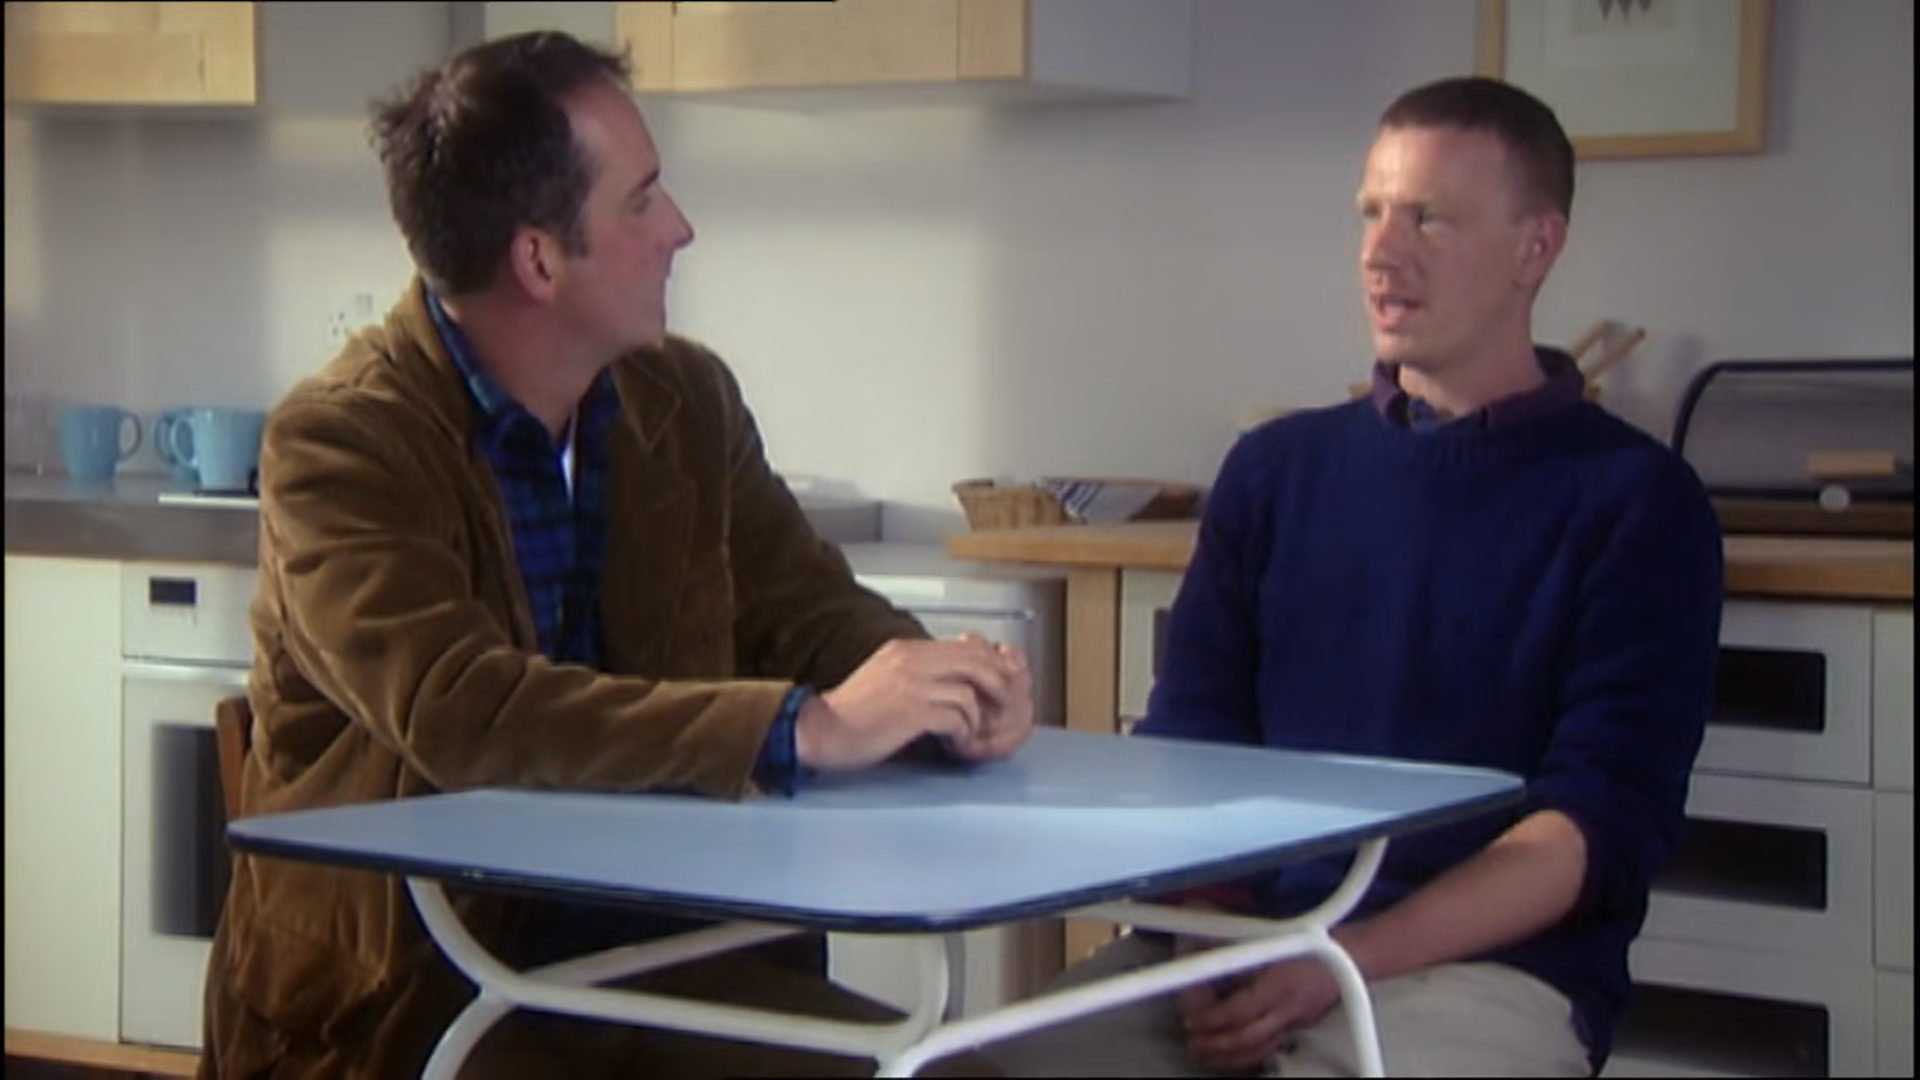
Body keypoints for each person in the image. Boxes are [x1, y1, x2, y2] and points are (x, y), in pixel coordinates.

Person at [199, 31, 1033, 1080]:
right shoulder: (341, 442)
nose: (681, 228)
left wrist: (944, 688)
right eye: (641, 202)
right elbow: (462, 708)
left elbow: (808, 609)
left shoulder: (685, 397)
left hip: (672, 961)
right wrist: (802, 727)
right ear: (539, 260)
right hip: (421, 1003)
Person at [987, 76, 1724, 1078]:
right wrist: (1204, 938)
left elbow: (1590, 827)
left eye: (1428, 219)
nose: (1382, 252)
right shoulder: (1273, 473)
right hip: (1233, 949)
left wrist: (1339, 962)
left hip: (1482, 972)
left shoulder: (1638, 502)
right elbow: (1191, 747)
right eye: (1371, 213)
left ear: (1535, 248)